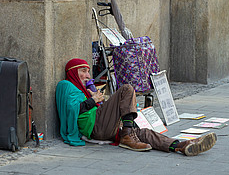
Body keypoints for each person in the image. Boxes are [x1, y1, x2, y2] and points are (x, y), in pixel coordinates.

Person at [56, 58, 217, 156]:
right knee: (126, 89)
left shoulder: (84, 89)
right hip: (94, 126)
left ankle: (182, 146)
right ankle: (127, 134)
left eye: (88, 71)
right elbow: (73, 111)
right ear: (73, 72)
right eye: (83, 71)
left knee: (144, 133)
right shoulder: (67, 86)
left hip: (104, 125)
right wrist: (93, 100)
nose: (88, 76)